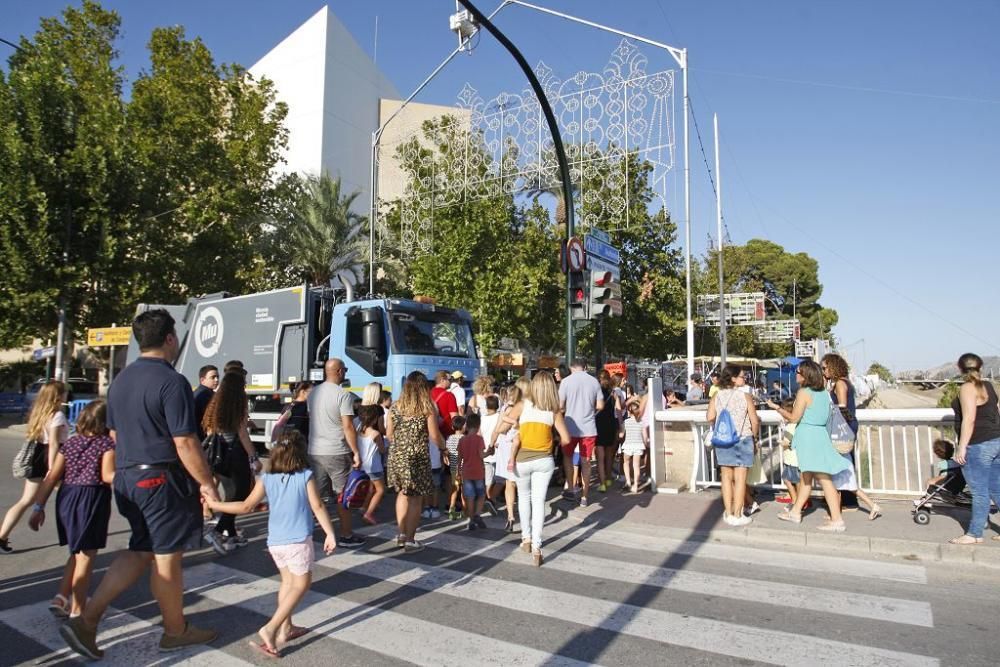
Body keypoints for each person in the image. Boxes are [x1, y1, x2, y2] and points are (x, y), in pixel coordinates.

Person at [60, 309, 220, 660]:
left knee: (140, 550)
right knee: (167, 559)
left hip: (129, 477)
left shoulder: (120, 380)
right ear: (169, 339)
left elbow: (115, 433)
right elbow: (185, 441)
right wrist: (207, 484)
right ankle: (174, 631)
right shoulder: (172, 381)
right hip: (159, 477)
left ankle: (86, 618)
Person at [204, 431, 336, 657]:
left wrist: (215, 504)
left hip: (275, 542)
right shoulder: (305, 475)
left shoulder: (267, 478)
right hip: (297, 540)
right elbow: (318, 507)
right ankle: (271, 627)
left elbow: (246, 506)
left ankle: (287, 628)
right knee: (301, 584)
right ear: (301, 453)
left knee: (287, 583)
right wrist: (330, 533)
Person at [28, 399, 114, 618]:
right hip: (91, 497)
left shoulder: (71, 443)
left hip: (67, 497)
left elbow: (52, 477)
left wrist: (38, 506)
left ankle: (61, 597)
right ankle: (78, 610)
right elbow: (107, 475)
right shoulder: (106, 444)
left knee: (76, 552)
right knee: (87, 555)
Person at [493, 371, 570, 567]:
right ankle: (537, 546)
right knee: (539, 502)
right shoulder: (554, 410)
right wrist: (553, 439)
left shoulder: (522, 405)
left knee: (524, 498)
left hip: (523, 460)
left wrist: (517, 425)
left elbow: (502, 428)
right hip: (544, 461)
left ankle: (525, 539)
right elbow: (567, 439)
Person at [767, 359, 850, 532]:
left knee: (823, 479)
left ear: (806, 375)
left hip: (808, 437)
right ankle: (796, 513)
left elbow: (794, 418)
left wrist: (778, 409)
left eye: (798, 372)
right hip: (820, 435)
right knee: (807, 478)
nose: (796, 374)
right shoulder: (823, 393)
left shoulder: (804, 392)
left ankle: (836, 520)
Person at [0, 380, 68, 554]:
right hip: (51, 458)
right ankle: (77, 531)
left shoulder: (38, 413)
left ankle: (2, 537)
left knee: (26, 500)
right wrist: (53, 469)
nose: (66, 395)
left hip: (36, 457)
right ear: (58, 396)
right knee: (69, 494)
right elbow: (53, 443)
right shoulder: (57, 415)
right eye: (64, 392)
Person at [307, 358, 365, 548]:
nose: (346, 372)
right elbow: (348, 426)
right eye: (345, 369)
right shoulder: (343, 395)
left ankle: (308, 531)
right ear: (339, 371)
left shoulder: (313, 393)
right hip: (336, 450)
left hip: (315, 449)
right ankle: (346, 535)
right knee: (343, 495)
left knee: (317, 495)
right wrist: (355, 451)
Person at [202, 371, 262, 555]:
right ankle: (219, 531)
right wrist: (254, 457)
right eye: (243, 382)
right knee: (240, 494)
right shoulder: (238, 402)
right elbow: (242, 432)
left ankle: (231, 533)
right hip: (235, 453)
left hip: (219, 454)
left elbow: (209, 428)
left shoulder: (216, 401)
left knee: (231, 493)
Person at [386, 372, 445, 553]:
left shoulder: (395, 407)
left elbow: (389, 434)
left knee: (403, 494)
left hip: (397, 456)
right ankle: (411, 540)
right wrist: (444, 448)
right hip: (417, 457)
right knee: (416, 498)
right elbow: (435, 435)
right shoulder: (427, 407)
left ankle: (401, 535)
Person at [948, 353, 1000, 545]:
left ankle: (974, 534)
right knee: (996, 488)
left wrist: (962, 448)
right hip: (996, 440)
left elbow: (969, 419)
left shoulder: (967, 388)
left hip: (978, 444)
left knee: (980, 491)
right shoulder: (988, 386)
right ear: (981, 366)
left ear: (959, 367)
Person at [706, 367, 760, 526]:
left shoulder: (717, 395)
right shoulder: (745, 396)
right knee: (741, 479)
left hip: (724, 439)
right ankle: (738, 514)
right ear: (733, 378)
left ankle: (728, 513)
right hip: (743, 438)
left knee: (726, 478)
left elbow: (710, 417)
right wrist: (755, 438)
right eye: (743, 376)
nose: (745, 379)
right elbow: (754, 421)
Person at [558, 358, 604, 507]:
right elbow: (600, 405)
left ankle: (571, 488)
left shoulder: (565, 382)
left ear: (571, 368)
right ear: (585, 367)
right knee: (586, 461)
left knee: (567, 456)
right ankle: (585, 496)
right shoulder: (594, 381)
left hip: (570, 427)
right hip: (588, 427)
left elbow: (560, 406)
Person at [822, 353, 860, 512]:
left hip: (843, 426)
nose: (823, 371)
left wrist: (837, 425)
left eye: (825, 368)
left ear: (833, 367)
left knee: (842, 464)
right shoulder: (844, 382)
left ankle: (847, 500)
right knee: (846, 462)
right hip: (848, 425)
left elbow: (842, 407)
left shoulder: (839, 383)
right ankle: (846, 499)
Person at [356, 405, 387, 525]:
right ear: (374, 419)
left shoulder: (359, 431)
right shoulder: (375, 434)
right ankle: (369, 513)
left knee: (370, 488)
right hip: (374, 466)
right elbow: (382, 450)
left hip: (364, 465)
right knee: (380, 490)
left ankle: (364, 507)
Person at [458, 412, 488, 530]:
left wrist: (458, 471)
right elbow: (481, 455)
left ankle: (470, 520)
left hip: (466, 472)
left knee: (469, 497)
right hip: (478, 472)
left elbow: (459, 458)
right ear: (478, 426)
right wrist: (489, 452)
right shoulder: (479, 439)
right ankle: (477, 514)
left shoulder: (462, 440)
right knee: (481, 495)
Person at [595, 370, 620, 494]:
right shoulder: (613, 392)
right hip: (611, 425)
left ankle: (602, 483)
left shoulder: (596, 393)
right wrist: (620, 425)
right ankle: (609, 478)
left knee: (600, 458)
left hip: (599, 425)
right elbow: (619, 409)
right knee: (610, 455)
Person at [445, 415, 467, 520]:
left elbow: (447, 452)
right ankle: (464, 510)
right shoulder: (464, 439)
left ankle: (451, 510)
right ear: (463, 427)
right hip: (463, 469)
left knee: (454, 490)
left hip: (453, 469)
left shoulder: (449, 438)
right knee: (464, 491)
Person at [622, 401, 645, 493]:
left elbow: (621, 434)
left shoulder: (626, 422)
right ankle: (635, 485)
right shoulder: (642, 422)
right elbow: (644, 435)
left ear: (629, 411)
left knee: (626, 463)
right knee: (636, 466)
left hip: (628, 445)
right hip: (638, 445)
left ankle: (628, 481)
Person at [193, 365, 219, 441]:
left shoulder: (200, 393)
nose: (216, 380)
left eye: (217, 377)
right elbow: (209, 421)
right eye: (213, 377)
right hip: (203, 439)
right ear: (202, 380)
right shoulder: (204, 395)